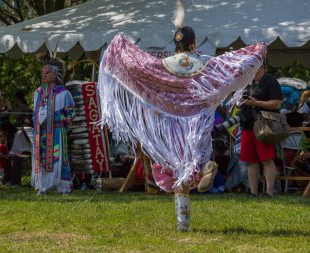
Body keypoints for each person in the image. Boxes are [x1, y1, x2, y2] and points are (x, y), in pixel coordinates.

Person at [97, 0, 266, 231]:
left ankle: (183, 223)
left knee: (178, 172)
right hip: (197, 123)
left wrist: (119, 47)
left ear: (175, 44)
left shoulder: (163, 65)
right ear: (193, 43)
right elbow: (230, 68)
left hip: (171, 128)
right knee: (193, 162)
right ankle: (206, 167)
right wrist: (254, 52)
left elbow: (140, 68)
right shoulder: (205, 63)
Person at [31, 59, 75, 194]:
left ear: (55, 75)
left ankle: (63, 187)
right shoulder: (37, 93)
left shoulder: (64, 93)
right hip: (40, 133)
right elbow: (35, 114)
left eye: (47, 72)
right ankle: (43, 186)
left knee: (59, 158)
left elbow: (70, 114)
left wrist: (62, 128)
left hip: (56, 132)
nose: (43, 75)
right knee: (41, 158)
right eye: (42, 72)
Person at [240, 64, 283, 197]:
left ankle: (269, 192)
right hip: (247, 125)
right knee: (250, 160)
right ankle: (253, 192)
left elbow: (277, 103)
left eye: (254, 68)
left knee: (267, 159)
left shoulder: (271, 81)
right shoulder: (247, 82)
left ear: (262, 68)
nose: (251, 70)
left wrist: (256, 103)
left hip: (265, 125)